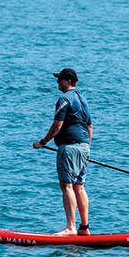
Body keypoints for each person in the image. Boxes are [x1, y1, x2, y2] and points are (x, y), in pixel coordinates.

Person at [32, 68, 93, 236]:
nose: (57, 82)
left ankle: (71, 227)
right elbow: (89, 126)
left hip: (69, 148)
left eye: (60, 79)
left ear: (68, 81)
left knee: (66, 185)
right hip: (83, 147)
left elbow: (57, 126)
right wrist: (86, 149)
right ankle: (84, 228)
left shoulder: (64, 100)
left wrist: (42, 142)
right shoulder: (83, 99)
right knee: (79, 186)